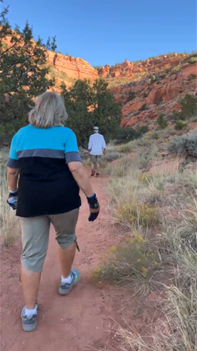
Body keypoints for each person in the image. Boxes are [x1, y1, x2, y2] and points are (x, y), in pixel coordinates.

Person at [7, 91, 100, 332]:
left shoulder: (20, 134)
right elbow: (76, 168)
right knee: (66, 239)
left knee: (31, 256)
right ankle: (66, 280)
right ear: (59, 111)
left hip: (30, 202)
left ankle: (29, 312)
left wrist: (13, 193)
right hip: (64, 200)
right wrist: (91, 197)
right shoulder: (65, 134)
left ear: (36, 109)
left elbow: (12, 171)